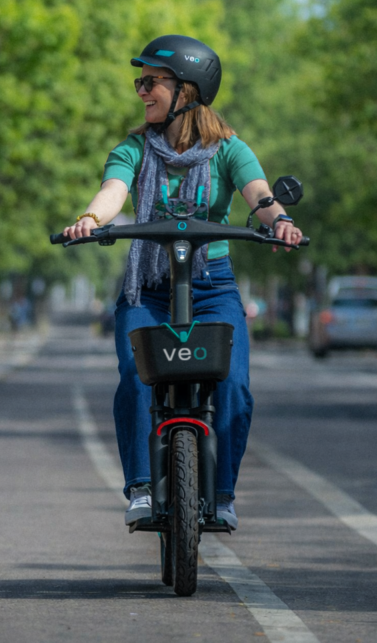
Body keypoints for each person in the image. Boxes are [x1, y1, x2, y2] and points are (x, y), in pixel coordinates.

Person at [61, 36, 302, 531]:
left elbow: (258, 193)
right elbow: (113, 191)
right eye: (140, 82)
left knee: (233, 381)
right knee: (134, 377)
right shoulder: (133, 148)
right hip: (147, 288)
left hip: (212, 285)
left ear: (187, 91)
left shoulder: (228, 150)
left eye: (151, 82)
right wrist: (89, 218)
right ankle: (142, 488)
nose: (142, 91)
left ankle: (223, 493)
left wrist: (278, 220)